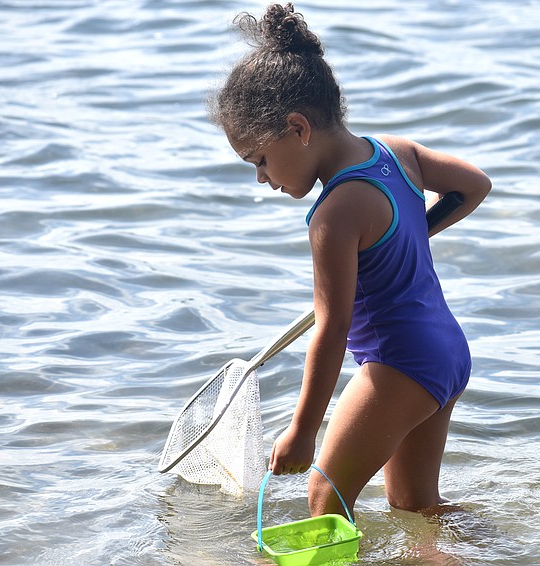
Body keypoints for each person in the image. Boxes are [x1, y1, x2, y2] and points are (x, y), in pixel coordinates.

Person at [209, 3, 490, 517]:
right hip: (446, 350)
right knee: (415, 509)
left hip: (400, 363)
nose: (262, 179)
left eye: (261, 160)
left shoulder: (332, 215)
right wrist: (411, 233)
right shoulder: (395, 153)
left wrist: (302, 430)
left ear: (298, 128)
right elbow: (474, 187)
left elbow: (333, 327)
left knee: (324, 499)